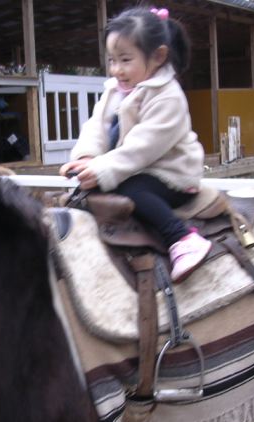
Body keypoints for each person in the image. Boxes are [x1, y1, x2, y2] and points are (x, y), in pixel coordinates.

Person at [60, 6, 212, 284]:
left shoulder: (168, 97)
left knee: (130, 189)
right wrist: (87, 156)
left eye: (126, 59)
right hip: (132, 167)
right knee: (91, 194)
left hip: (171, 174)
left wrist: (103, 168)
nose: (117, 69)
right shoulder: (114, 91)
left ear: (158, 56)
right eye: (112, 60)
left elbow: (144, 146)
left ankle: (181, 238)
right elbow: (97, 126)